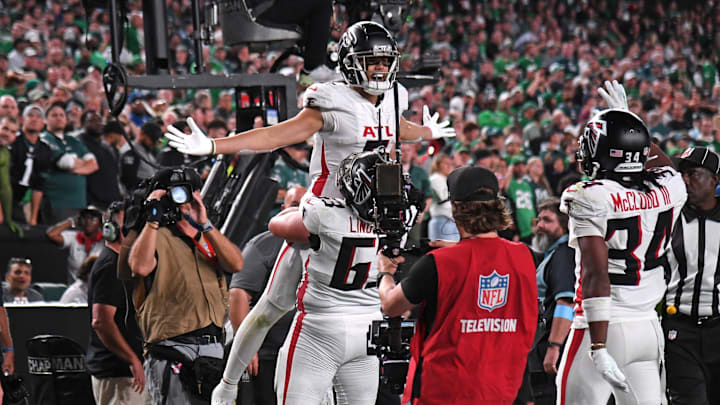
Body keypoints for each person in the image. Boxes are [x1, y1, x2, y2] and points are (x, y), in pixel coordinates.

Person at [166, 21, 455, 201]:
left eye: (384, 61)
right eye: (372, 61)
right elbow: (275, 136)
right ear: (351, 63)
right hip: (330, 203)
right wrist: (215, 145)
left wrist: (428, 132)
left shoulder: (395, 97)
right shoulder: (333, 100)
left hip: (371, 206)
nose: (380, 68)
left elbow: (399, 128)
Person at [219, 151, 390, 405]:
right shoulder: (398, 221)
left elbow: (277, 224)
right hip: (366, 329)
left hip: (320, 329)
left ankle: (226, 384)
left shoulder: (324, 215)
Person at [556, 105, 687, 403]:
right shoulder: (671, 186)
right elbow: (661, 164)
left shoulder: (589, 196)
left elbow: (595, 274)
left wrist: (599, 346)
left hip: (602, 327)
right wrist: (634, 127)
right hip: (647, 328)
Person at [377, 165, 538, 404]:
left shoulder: (437, 264)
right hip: (505, 391)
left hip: (444, 392)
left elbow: (391, 305)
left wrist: (385, 273)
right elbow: (489, 254)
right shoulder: (526, 256)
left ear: (455, 209)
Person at [128, 167, 243, 405]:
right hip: (172, 347)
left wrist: (205, 223)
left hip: (212, 346)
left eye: (189, 192)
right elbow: (139, 267)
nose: (183, 201)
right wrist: (152, 219)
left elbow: (236, 263)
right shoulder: (153, 237)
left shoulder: (208, 237)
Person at [227, 185, 305, 405]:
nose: (299, 211)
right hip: (267, 353)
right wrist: (247, 347)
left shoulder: (321, 245)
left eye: (304, 206)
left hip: (302, 353)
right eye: (294, 205)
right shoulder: (264, 244)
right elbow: (238, 295)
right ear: (283, 209)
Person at [664, 146, 720, 404]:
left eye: (694, 174)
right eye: (683, 174)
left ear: (715, 180)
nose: (686, 180)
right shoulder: (670, 216)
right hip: (679, 329)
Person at [86, 201, 149, 405]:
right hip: (119, 374)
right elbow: (101, 321)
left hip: (128, 372)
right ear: (111, 230)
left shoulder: (121, 264)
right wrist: (132, 359)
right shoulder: (109, 266)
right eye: (129, 224)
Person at [528, 198, 575, 405]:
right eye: (538, 220)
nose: (540, 226)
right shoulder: (554, 253)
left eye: (547, 220)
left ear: (564, 224)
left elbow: (566, 302)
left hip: (550, 351)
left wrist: (554, 347)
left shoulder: (564, 254)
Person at [41, 101, 99, 222]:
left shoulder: (73, 140)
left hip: (79, 202)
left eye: (62, 115)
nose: (59, 118)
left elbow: (93, 165)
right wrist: (81, 163)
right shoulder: (44, 139)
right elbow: (65, 162)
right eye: (54, 115)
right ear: (45, 120)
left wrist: (74, 168)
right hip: (57, 202)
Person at [9, 105, 52, 225]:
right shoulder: (12, 142)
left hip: (18, 200)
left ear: (43, 123)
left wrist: (33, 219)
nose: (34, 119)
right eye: (30, 115)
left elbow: (38, 185)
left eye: (38, 117)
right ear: (22, 119)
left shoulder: (44, 149)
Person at [46, 206, 105, 283]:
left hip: (98, 288)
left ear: (100, 222)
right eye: (85, 218)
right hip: (75, 288)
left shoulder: (105, 241)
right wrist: (72, 221)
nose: (88, 221)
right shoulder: (75, 237)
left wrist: (107, 222)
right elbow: (52, 234)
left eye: (93, 219)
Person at [79, 110, 122, 210]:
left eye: (99, 120)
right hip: (93, 204)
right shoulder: (79, 144)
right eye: (92, 120)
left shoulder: (106, 147)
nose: (98, 123)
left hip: (112, 202)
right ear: (83, 124)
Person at [427, 152, 459, 241]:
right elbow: (443, 197)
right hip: (442, 219)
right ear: (437, 165)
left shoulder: (446, 179)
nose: (449, 166)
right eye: (445, 163)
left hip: (451, 220)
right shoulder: (436, 178)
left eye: (450, 164)